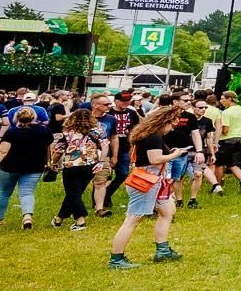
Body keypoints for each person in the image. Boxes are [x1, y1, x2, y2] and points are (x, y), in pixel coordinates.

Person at [109, 103, 186, 269]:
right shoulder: (154, 137)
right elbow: (155, 159)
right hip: (146, 182)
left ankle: (163, 250)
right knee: (133, 219)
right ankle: (116, 259)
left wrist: (170, 152)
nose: (172, 129)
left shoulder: (149, 134)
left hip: (152, 180)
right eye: (172, 125)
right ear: (164, 121)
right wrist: (175, 154)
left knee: (168, 211)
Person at [0, 106, 52, 231]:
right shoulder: (44, 131)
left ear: (16, 118)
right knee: (27, 192)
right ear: (34, 117)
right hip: (34, 167)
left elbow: (2, 152)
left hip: (9, 167)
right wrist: (50, 162)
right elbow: (49, 147)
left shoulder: (12, 132)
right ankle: (27, 217)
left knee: (3, 193)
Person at [52, 108, 103, 230]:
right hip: (90, 166)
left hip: (72, 166)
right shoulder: (96, 132)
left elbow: (59, 151)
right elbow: (105, 146)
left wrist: (53, 163)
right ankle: (59, 218)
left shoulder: (67, 134)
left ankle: (80, 220)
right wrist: (101, 160)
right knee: (75, 193)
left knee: (73, 193)